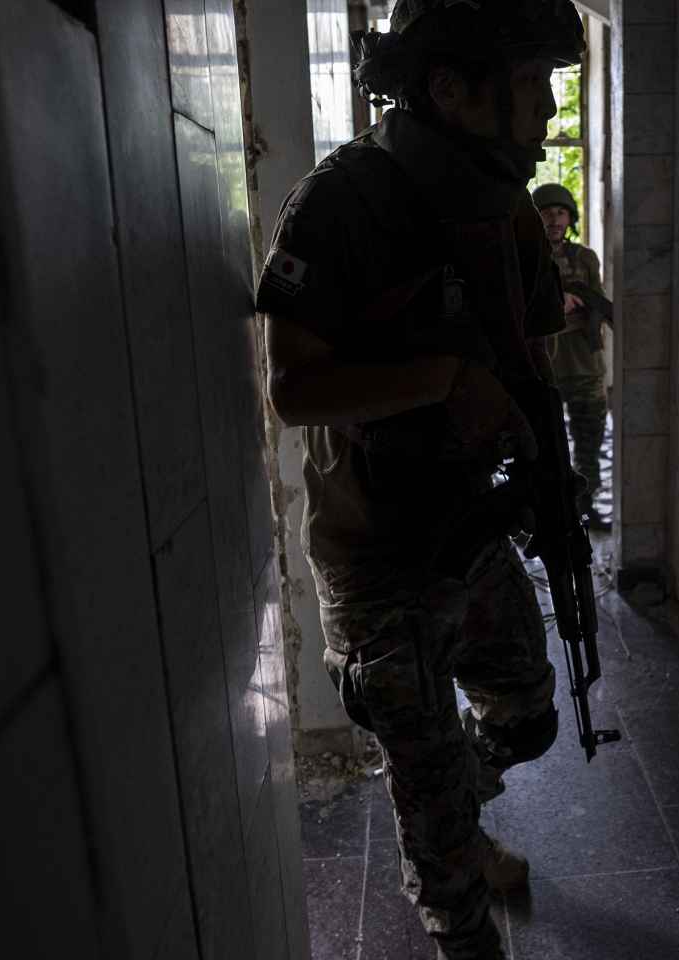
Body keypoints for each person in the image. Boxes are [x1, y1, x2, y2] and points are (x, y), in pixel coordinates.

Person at [258, 2, 584, 958]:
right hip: (375, 554)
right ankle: (449, 869)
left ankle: (451, 800)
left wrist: (539, 462)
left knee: (526, 717)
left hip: (468, 528)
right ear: (451, 89)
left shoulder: (504, 206)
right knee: (444, 858)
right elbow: (292, 388)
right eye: (531, 83)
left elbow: (528, 354)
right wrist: (441, 379)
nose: (548, 103)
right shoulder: (343, 201)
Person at [531, 182, 611, 528]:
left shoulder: (584, 258)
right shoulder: (525, 260)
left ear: (571, 217)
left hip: (584, 369)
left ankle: (585, 507)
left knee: (588, 445)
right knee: (539, 450)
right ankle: (541, 514)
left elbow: (597, 305)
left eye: (561, 212)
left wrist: (583, 307)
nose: (554, 219)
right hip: (540, 371)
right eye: (546, 212)